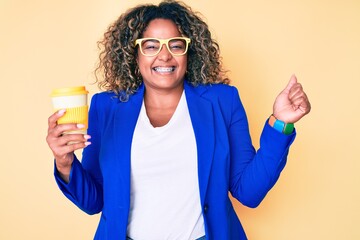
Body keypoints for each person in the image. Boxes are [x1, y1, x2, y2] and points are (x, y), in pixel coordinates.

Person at [46, 0, 311, 239]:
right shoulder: (107, 107)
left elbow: (248, 192)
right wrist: (65, 162)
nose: (164, 55)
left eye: (175, 45)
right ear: (134, 55)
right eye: (150, 46)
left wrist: (281, 123)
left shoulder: (223, 101)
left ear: (189, 53)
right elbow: (94, 201)